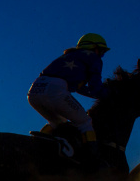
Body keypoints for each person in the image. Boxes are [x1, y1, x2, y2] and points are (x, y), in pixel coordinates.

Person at [27, 33, 111, 167]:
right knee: (85, 122)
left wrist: (97, 94)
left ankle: (35, 146)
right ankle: (94, 161)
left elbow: (79, 89)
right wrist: (109, 95)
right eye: (101, 51)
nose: (102, 55)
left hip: (34, 91)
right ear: (94, 48)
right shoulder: (94, 58)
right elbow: (95, 88)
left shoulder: (69, 55)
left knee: (57, 122)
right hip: (55, 90)